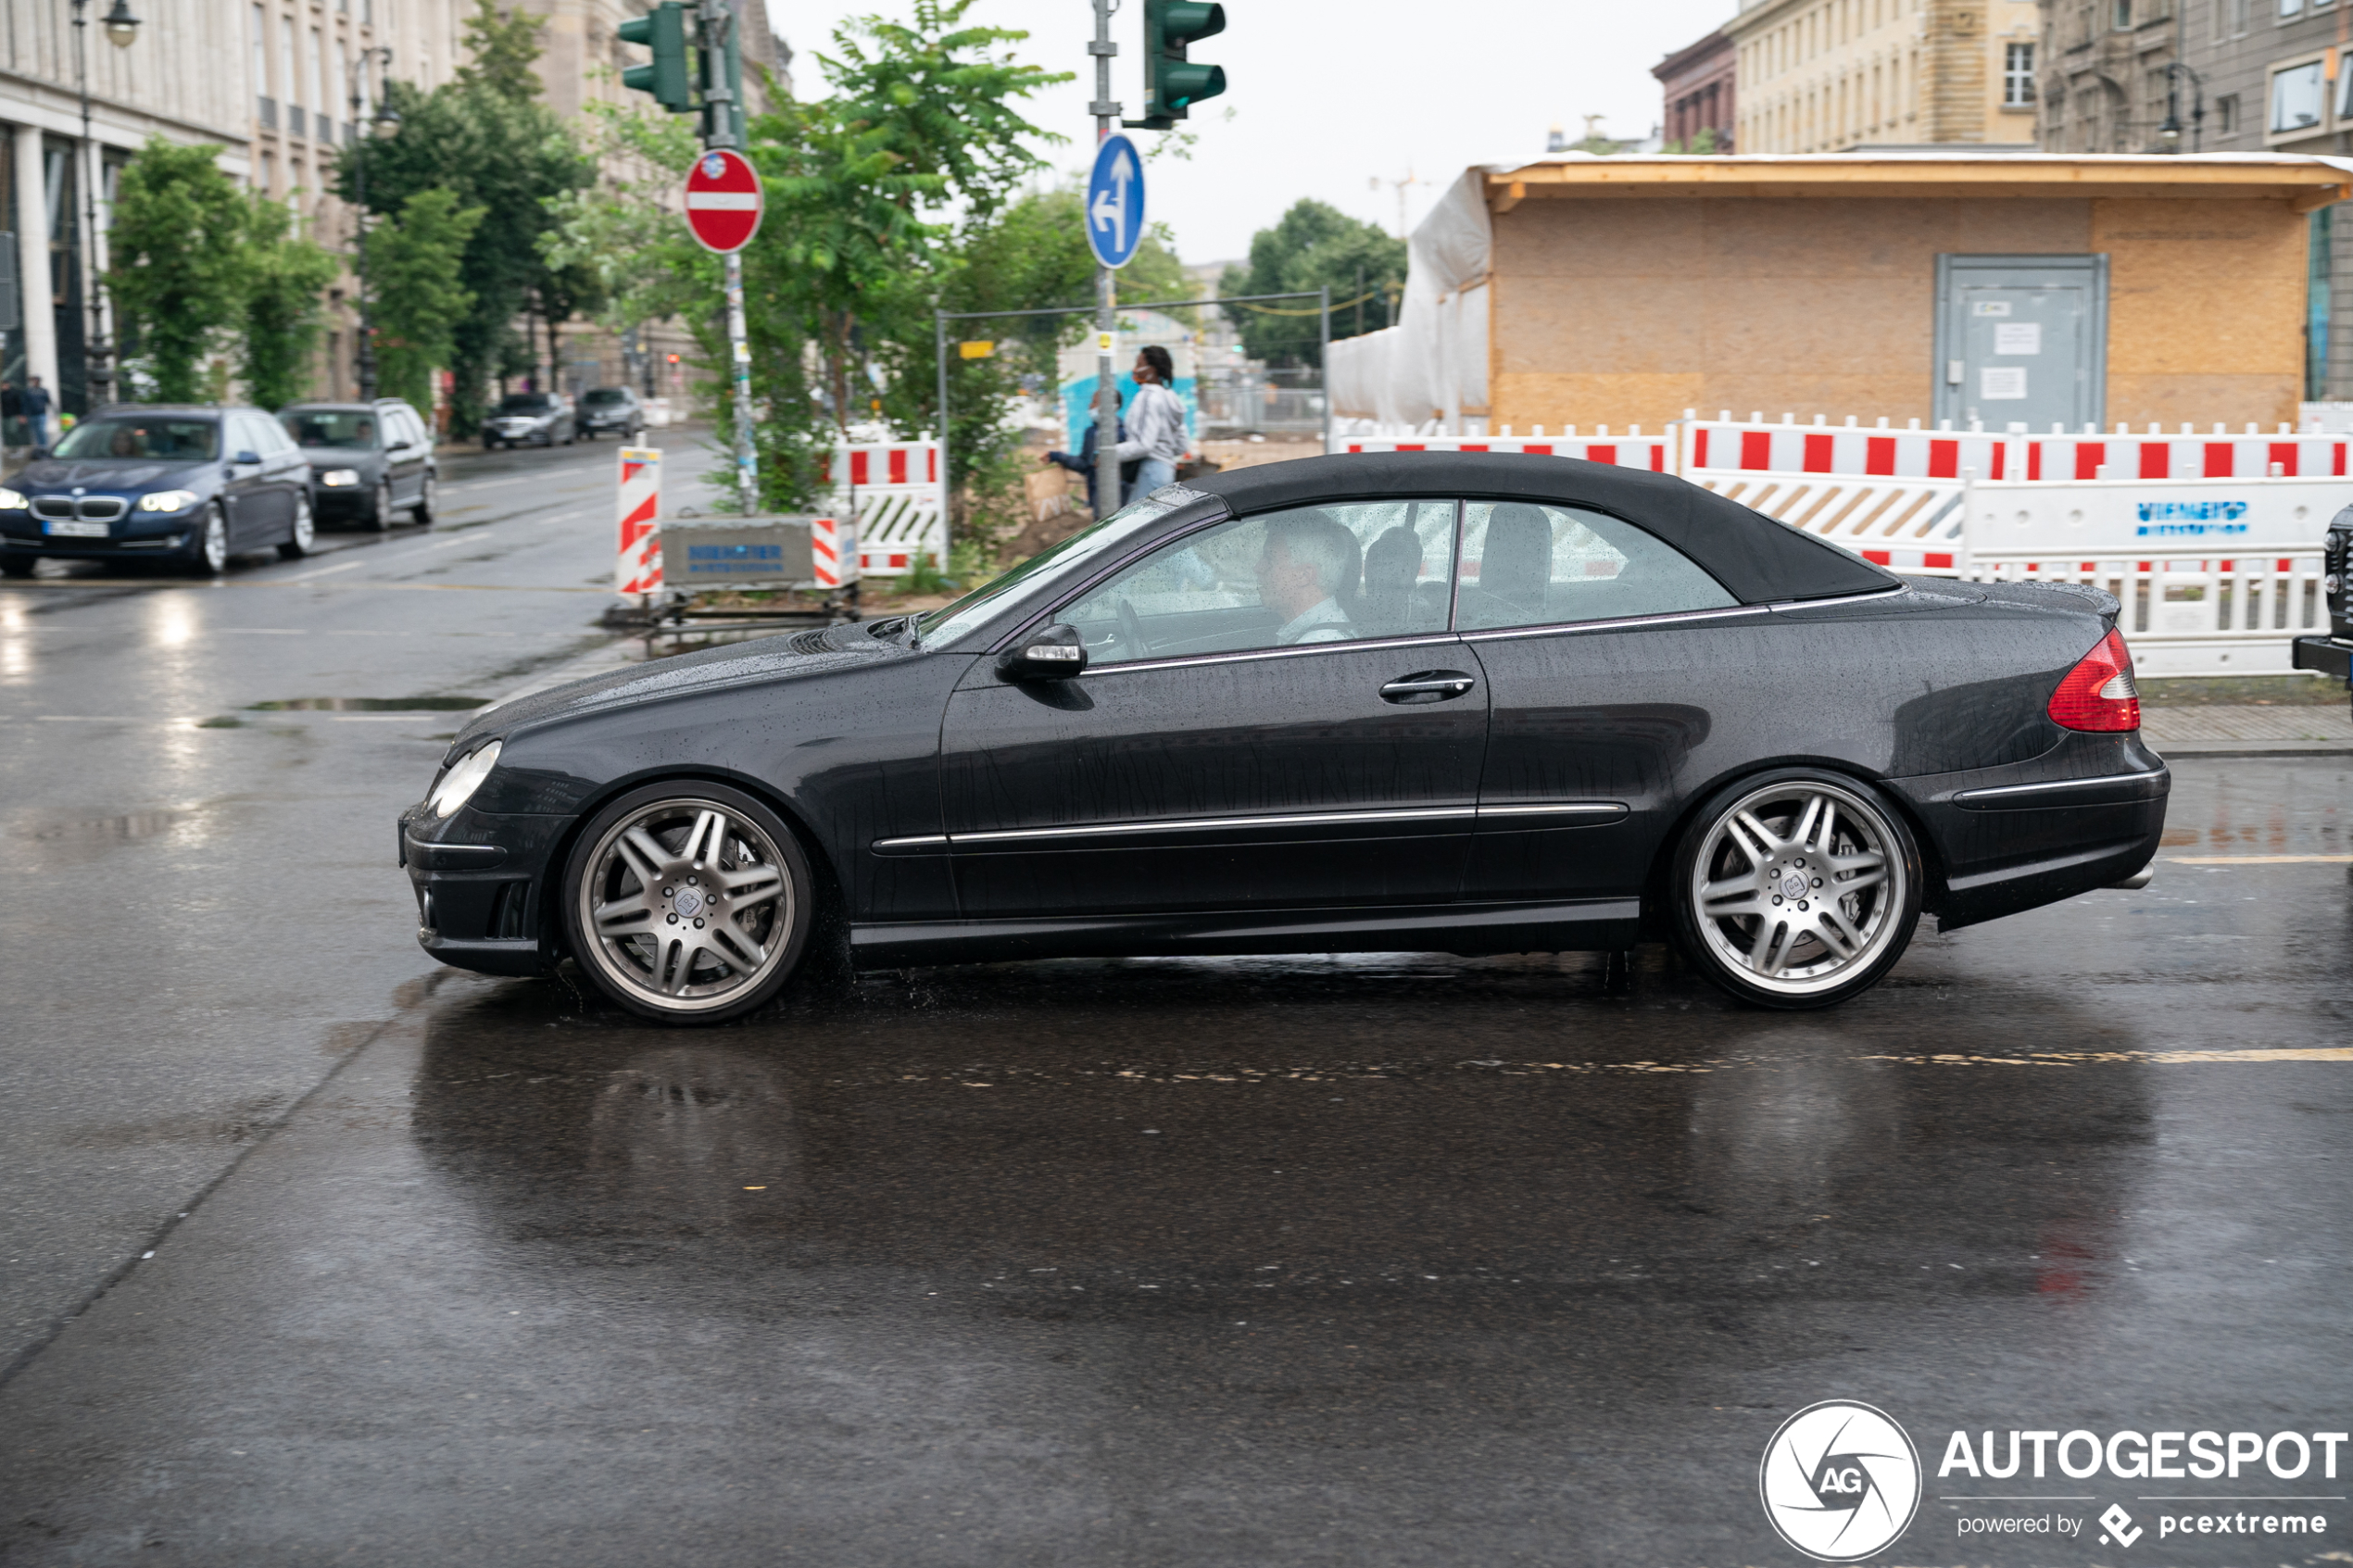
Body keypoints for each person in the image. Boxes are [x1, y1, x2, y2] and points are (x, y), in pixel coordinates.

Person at [1256, 513, 1360, 645]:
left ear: (1304, 575)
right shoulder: (1319, 638)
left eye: (1270, 559)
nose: (1257, 567)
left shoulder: (1316, 647)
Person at [1041, 392, 1136, 516]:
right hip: (1097, 499)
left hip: (1119, 500)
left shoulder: (1123, 434)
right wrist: (1057, 456)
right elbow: (1085, 464)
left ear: (1109, 406)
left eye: (1094, 402)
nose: (1090, 406)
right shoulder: (1091, 433)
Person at [1113, 345, 1187, 500]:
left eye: (1139, 365)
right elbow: (1182, 446)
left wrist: (1108, 453)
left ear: (1152, 369)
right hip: (1165, 472)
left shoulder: (1147, 397)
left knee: (1135, 523)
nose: (1135, 369)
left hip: (1149, 472)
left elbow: (1143, 445)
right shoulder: (1170, 398)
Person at [20, 376, 51, 450]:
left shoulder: (43, 391)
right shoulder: (29, 391)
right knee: (35, 432)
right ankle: (39, 447)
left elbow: (48, 402)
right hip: (32, 414)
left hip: (41, 414)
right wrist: (24, 415)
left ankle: (44, 446)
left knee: (41, 430)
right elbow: (25, 404)